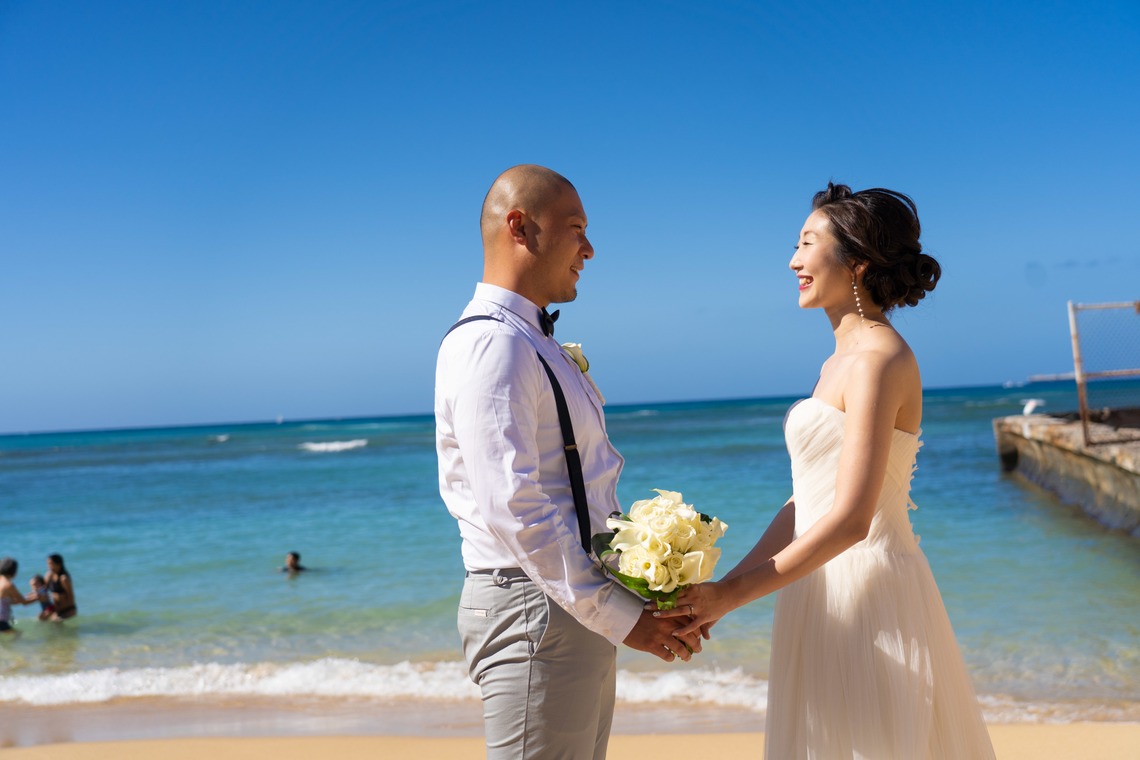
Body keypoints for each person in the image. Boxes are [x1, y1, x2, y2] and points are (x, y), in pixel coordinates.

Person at [656, 183, 996, 758]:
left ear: (857, 261)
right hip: (815, 589)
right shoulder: (837, 361)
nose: (794, 261)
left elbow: (850, 522)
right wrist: (713, 591)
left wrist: (731, 597)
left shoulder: (878, 360)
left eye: (808, 243)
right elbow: (804, 505)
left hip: (867, 593)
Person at [435, 164, 701, 759]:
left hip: (562, 605)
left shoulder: (530, 341)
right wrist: (621, 618)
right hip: (536, 609)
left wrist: (640, 589)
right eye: (576, 228)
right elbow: (515, 506)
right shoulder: (492, 345)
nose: (590, 248)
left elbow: (577, 490)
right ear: (520, 228)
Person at [1, 557, 36, 632]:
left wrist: (31, 595)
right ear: (13, 571)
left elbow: (10, 601)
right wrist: (38, 597)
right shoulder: (9, 585)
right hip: (2, 621)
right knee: (18, 635)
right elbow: (24, 602)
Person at [44, 553, 77, 620]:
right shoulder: (48, 576)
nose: (49, 566)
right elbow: (43, 591)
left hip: (67, 609)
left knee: (57, 623)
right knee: (41, 618)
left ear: (59, 564)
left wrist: (70, 612)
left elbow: (71, 596)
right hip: (56, 609)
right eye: (48, 564)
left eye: (51, 564)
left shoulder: (63, 578)